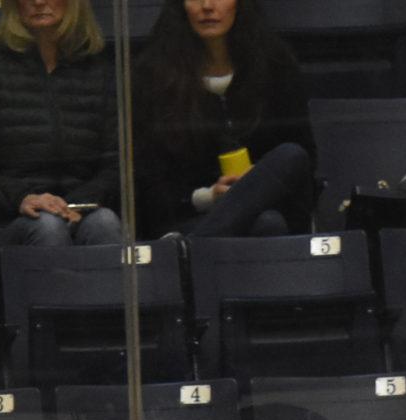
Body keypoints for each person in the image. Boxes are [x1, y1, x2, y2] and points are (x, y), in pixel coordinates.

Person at [132, 0, 314, 240]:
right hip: (190, 216)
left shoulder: (275, 64)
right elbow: (150, 179)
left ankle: (191, 249)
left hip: (269, 207)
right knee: (267, 225)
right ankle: (197, 243)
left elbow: (305, 158)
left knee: (290, 157)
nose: (207, 5)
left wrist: (255, 184)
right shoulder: (154, 73)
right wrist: (207, 197)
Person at [0, 0, 124, 249]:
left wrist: (77, 203)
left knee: (104, 222)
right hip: (6, 220)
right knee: (47, 225)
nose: (39, 1)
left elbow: (118, 163)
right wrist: (23, 198)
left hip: (82, 210)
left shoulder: (101, 72)